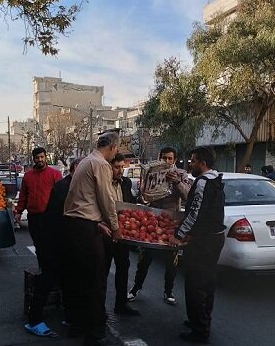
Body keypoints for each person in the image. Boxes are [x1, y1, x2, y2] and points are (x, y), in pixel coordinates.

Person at [61, 131, 122, 346]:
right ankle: (94, 332)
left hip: (75, 226)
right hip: (83, 229)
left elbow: (84, 200)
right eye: (118, 149)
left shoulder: (87, 161)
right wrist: (114, 226)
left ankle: (77, 324)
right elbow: (106, 200)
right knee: (95, 280)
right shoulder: (101, 164)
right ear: (113, 147)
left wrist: (97, 224)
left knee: (78, 278)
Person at [169, 147, 225, 345]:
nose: (190, 165)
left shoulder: (202, 182)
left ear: (202, 163)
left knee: (195, 285)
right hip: (215, 238)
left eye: (192, 161)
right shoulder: (216, 179)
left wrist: (179, 234)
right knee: (207, 283)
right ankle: (200, 321)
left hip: (203, 240)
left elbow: (194, 213)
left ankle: (199, 330)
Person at [24, 157, 82, 337]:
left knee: (67, 280)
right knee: (48, 279)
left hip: (62, 243)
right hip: (52, 242)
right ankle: (34, 321)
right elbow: (63, 219)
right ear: (74, 169)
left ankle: (70, 316)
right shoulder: (65, 187)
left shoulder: (73, 186)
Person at [128, 146, 192, 305]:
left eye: (170, 158)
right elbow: (142, 195)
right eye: (164, 158)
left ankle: (168, 291)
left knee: (172, 260)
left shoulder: (182, 175)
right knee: (145, 257)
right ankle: (136, 288)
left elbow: (188, 196)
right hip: (153, 219)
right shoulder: (151, 171)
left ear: (175, 160)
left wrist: (176, 182)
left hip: (171, 221)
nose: (167, 161)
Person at [14, 147, 63, 337]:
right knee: (45, 255)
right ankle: (46, 271)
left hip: (51, 219)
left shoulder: (55, 174)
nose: (40, 160)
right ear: (33, 159)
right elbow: (23, 197)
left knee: (51, 259)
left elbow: (61, 197)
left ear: (46, 158)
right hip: (35, 219)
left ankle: (48, 273)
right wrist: (18, 212)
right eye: (37, 157)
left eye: (43, 157)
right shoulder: (28, 177)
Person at [104, 153, 140, 316]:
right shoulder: (102, 183)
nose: (120, 170)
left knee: (123, 269)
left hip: (123, 235)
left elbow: (131, 203)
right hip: (105, 234)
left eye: (122, 167)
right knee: (102, 272)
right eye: (116, 167)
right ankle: (99, 308)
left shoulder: (125, 182)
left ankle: (121, 304)